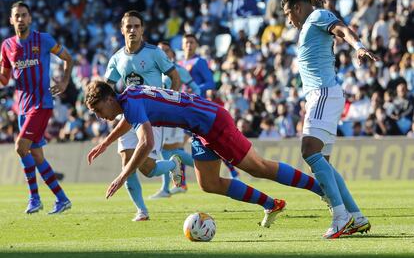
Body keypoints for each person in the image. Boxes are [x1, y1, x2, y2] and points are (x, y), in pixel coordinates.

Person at [85, 81, 327, 228]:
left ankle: (321, 189)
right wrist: (106, 143)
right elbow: (129, 120)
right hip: (200, 128)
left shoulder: (131, 104)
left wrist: (122, 176)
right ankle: (271, 204)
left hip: (212, 123)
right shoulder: (129, 95)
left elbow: (146, 143)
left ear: (109, 99)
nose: (98, 115)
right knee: (208, 183)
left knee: (258, 167)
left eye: (98, 109)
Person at [281, 0, 378, 238]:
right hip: (323, 95)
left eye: (288, 13)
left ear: (298, 8)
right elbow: (311, 4)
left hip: (323, 93)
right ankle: (355, 216)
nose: (288, 19)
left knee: (309, 152)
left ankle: (340, 217)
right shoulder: (310, 21)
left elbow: (341, 28)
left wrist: (358, 45)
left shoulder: (315, 17)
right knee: (321, 161)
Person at [98, 10, 181, 221]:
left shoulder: (154, 53)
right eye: (129, 27)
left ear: (142, 29)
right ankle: (142, 210)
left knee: (149, 169)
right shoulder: (117, 58)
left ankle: (173, 164)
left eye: (136, 26)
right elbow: (107, 87)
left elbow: (173, 76)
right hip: (130, 115)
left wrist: (171, 101)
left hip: (153, 115)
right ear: (122, 30)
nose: (132, 30)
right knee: (126, 159)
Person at [0, 1, 73, 214]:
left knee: (20, 147)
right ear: (11, 20)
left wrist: (65, 82)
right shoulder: (6, 46)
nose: (21, 19)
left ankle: (34, 198)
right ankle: (61, 198)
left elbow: (67, 58)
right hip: (21, 107)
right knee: (36, 155)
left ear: (30, 18)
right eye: (17, 16)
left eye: (24, 15)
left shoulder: (43, 40)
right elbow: (4, 79)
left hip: (41, 104)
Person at [179, 33, 240, 186]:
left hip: (196, 108)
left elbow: (210, 83)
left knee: (184, 144)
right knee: (180, 144)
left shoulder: (199, 62)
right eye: (186, 42)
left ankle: (182, 183)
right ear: (182, 45)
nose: (188, 45)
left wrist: (195, 89)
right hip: (183, 108)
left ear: (196, 45)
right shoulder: (179, 64)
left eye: (192, 42)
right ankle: (181, 182)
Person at [149, 41, 200, 199]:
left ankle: (205, 165)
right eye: (160, 50)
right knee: (164, 150)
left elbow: (196, 89)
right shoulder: (155, 71)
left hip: (174, 113)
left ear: (172, 54)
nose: (163, 53)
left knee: (173, 149)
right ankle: (167, 188)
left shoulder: (178, 70)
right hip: (160, 114)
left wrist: (187, 104)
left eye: (166, 50)